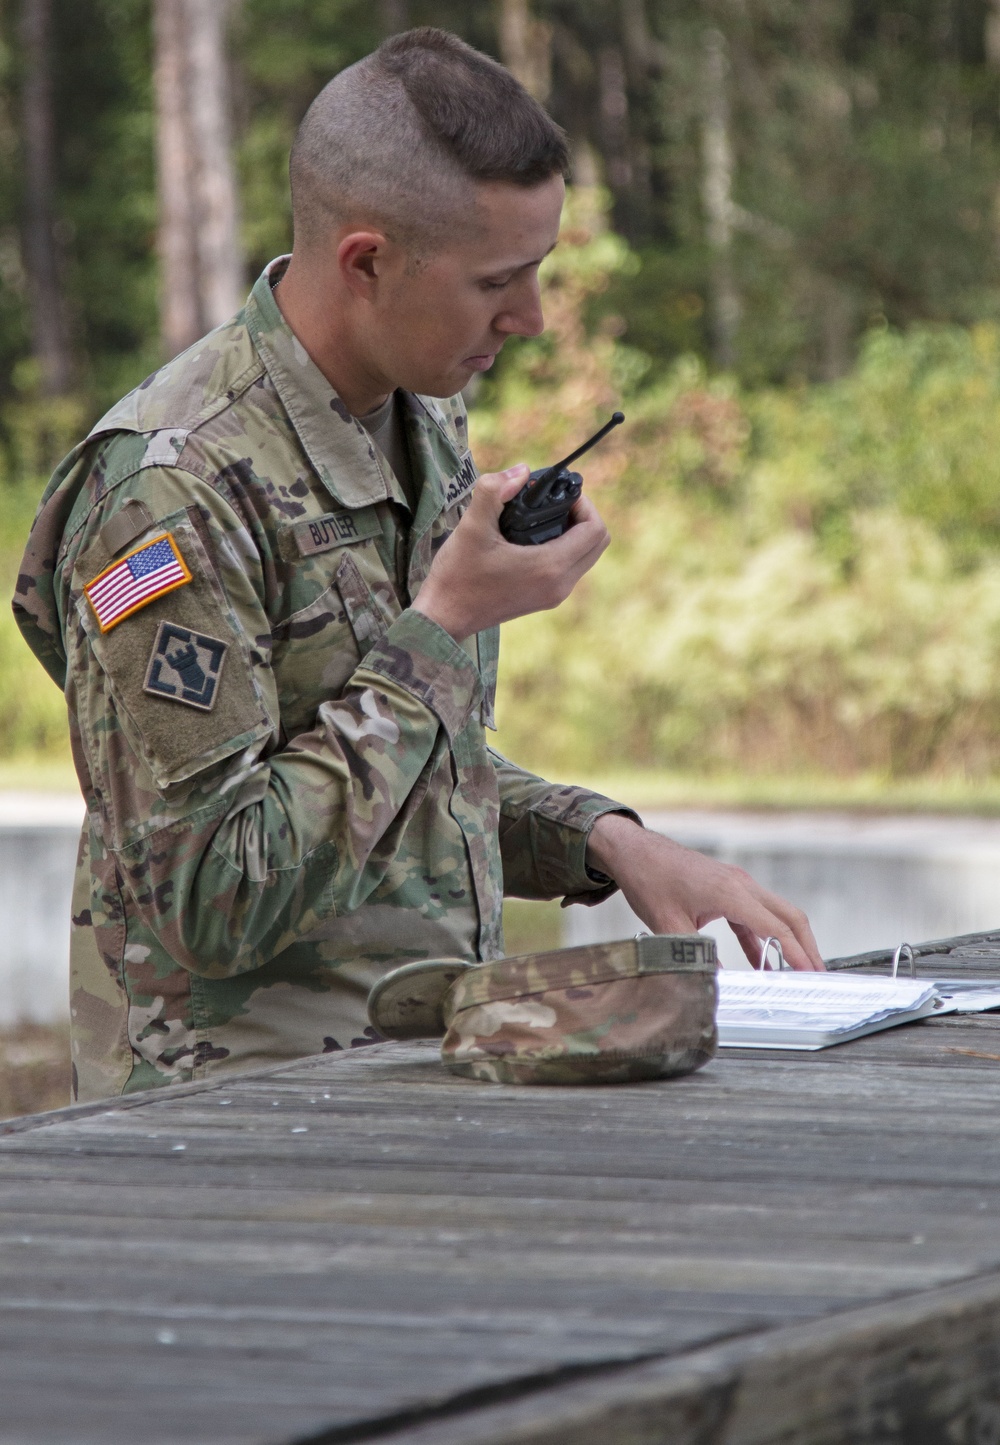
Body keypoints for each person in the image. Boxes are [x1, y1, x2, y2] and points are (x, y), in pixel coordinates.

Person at [12, 28, 823, 1103]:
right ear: (366, 262)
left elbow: (412, 777)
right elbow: (212, 893)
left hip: (411, 1073)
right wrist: (439, 627)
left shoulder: (420, 415)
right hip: (226, 1124)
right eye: (499, 280)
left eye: (537, 274)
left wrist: (609, 841)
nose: (528, 320)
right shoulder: (170, 490)